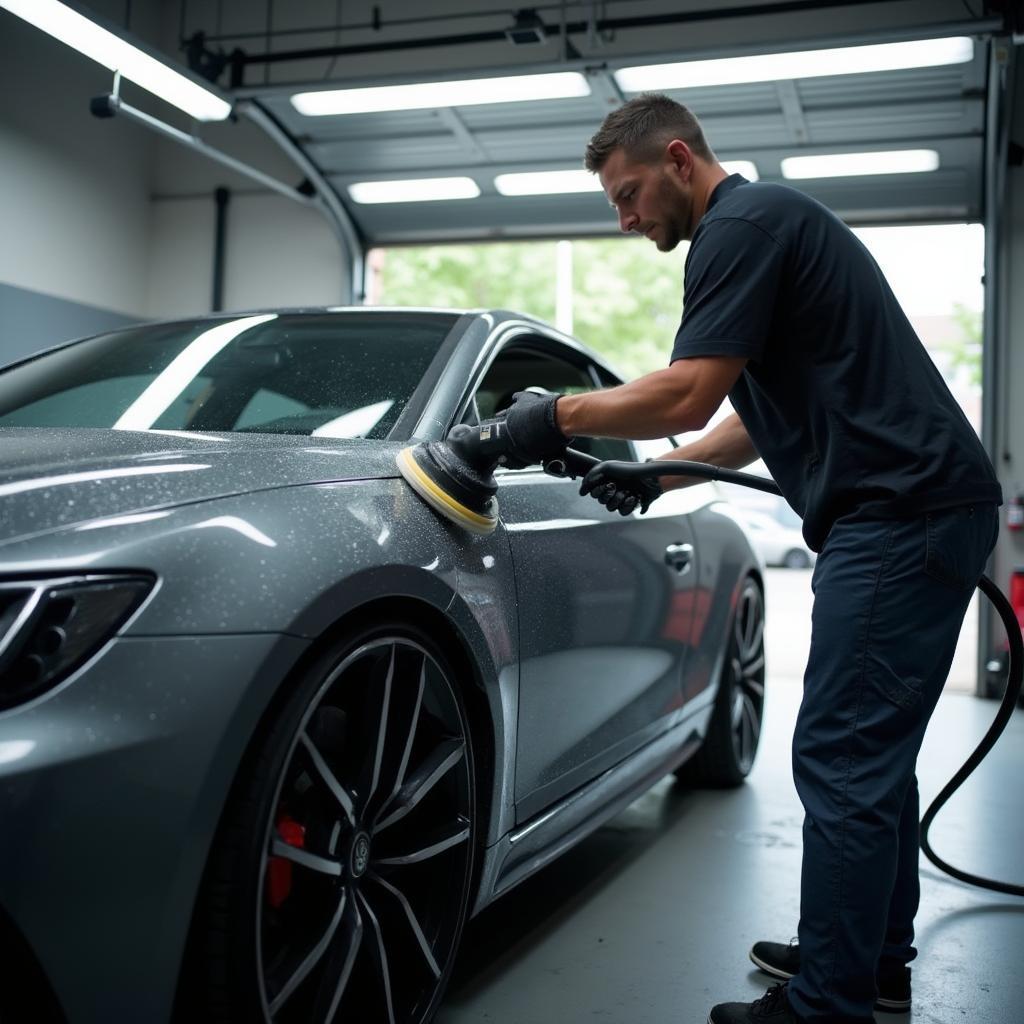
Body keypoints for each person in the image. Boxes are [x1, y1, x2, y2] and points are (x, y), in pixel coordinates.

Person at [500, 93, 1002, 1024]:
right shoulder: (770, 226)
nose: (625, 218)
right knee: (873, 753)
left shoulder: (740, 227)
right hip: (920, 507)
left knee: (843, 751)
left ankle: (829, 1005)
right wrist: (660, 479)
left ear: (679, 160)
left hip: (898, 514)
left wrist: (550, 415)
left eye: (630, 193)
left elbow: (688, 393)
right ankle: (869, 962)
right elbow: (738, 422)